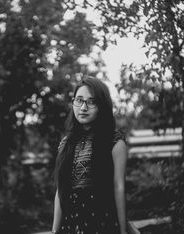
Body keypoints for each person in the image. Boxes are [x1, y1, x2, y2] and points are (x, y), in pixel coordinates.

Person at [51, 76, 128, 234]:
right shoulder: (66, 144)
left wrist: (123, 230)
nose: (83, 107)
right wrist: (54, 230)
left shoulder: (114, 142)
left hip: (102, 222)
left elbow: (118, 187)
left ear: (102, 106)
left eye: (91, 102)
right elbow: (61, 190)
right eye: (79, 100)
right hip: (71, 223)